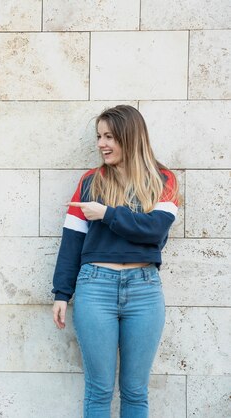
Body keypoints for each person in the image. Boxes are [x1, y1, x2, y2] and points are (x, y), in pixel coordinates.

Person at [51, 105, 180, 417]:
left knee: (135, 391)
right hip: (95, 288)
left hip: (144, 291)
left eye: (109, 136)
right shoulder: (89, 182)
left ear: (129, 136)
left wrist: (106, 214)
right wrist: (61, 293)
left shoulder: (162, 180)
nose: (101, 144)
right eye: (99, 136)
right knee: (99, 390)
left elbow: (154, 230)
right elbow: (72, 241)